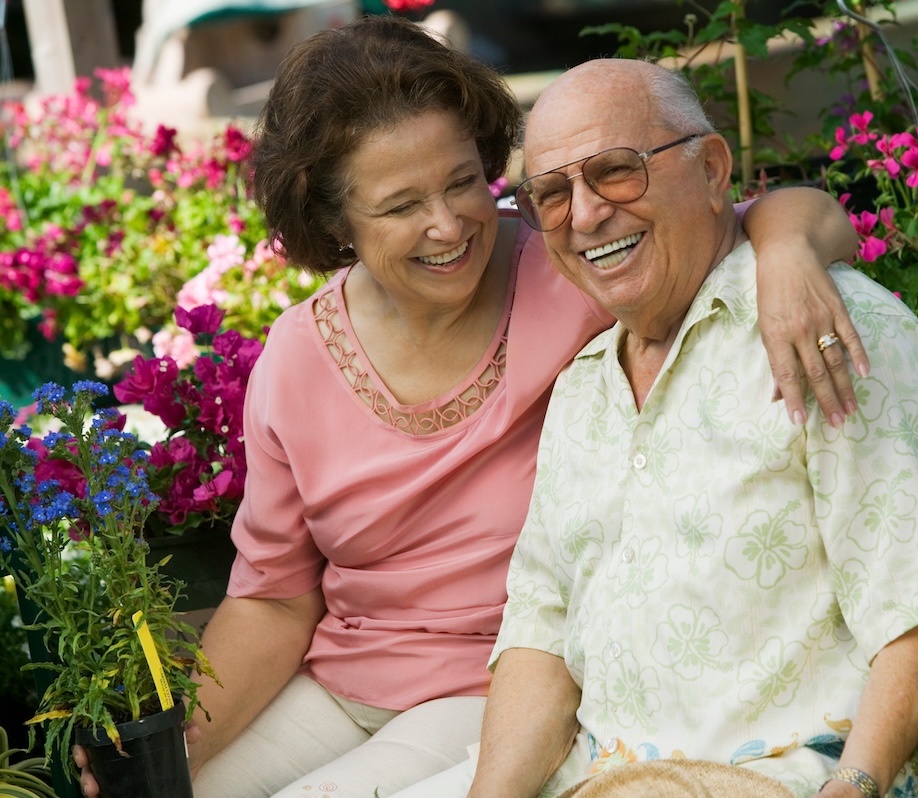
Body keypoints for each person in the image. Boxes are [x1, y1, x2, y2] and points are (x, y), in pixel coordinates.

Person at [74, 14, 867, 798]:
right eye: (400, 206)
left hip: (501, 687)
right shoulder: (297, 357)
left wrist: (788, 253)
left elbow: (776, 215)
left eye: (463, 181)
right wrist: (177, 747)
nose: (448, 225)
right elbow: (276, 600)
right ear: (332, 221)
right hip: (337, 686)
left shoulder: (571, 270)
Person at [390, 58, 918, 798]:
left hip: (787, 777)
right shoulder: (585, 385)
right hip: (595, 778)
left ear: (713, 170)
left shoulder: (825, 328)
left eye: (616, 172)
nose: (583, 216)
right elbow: (541, 641)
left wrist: (859, 784)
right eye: (552, 194)